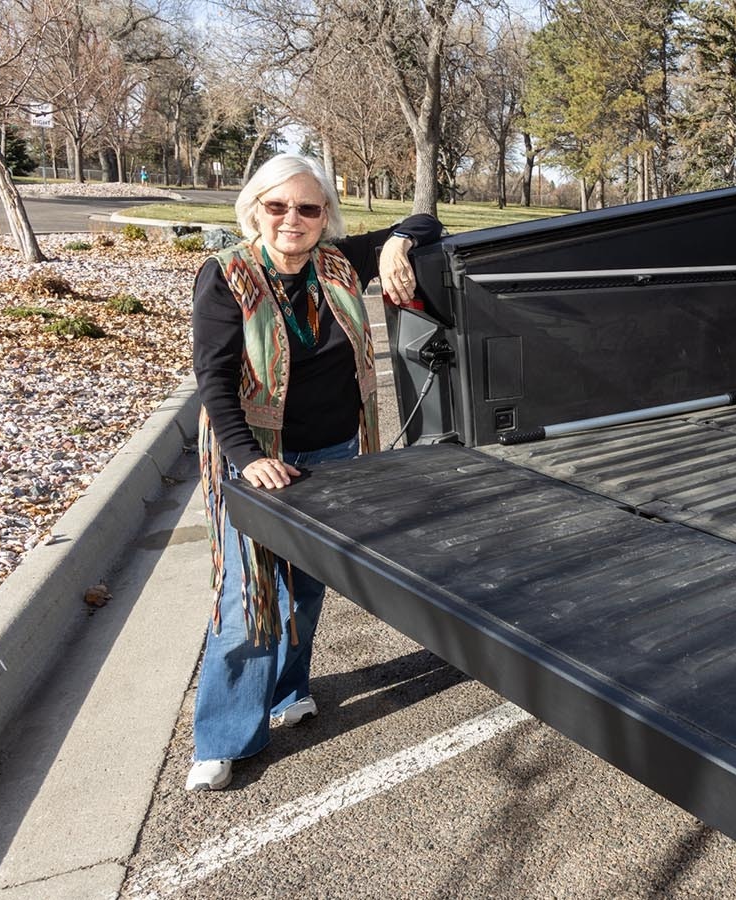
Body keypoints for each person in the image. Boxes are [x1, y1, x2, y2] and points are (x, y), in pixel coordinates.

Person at [187, 153, 440, 791]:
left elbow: (425, 222)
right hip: (257, 456)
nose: (292, 220)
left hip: (333, 453)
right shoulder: (226, 276)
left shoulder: (337, 263)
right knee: (250, 597)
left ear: (325, 214)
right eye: (278, 207)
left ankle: (286, 692)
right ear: (255, 210)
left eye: (308, 207)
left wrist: (401, 242)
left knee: (304, 585)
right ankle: (222, 737)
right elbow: (214, 383)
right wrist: (249, 460)